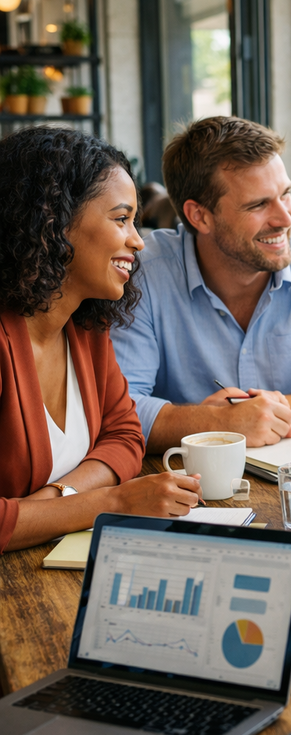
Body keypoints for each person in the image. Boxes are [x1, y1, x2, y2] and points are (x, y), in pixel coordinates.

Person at [110, 116, 291, 452]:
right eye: (258, 204)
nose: (285, 218)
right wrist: (217, 423)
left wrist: (254, 412)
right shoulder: (144, 272)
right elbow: (119, 410)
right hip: (187, 485)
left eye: (285, 194)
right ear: (200, 216)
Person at [0, 127, 202, 554]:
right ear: (51, 220)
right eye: (120, 218)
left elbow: (126, 434)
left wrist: (53, 503)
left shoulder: (85, 328)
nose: (138, 241)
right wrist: (112, 501)